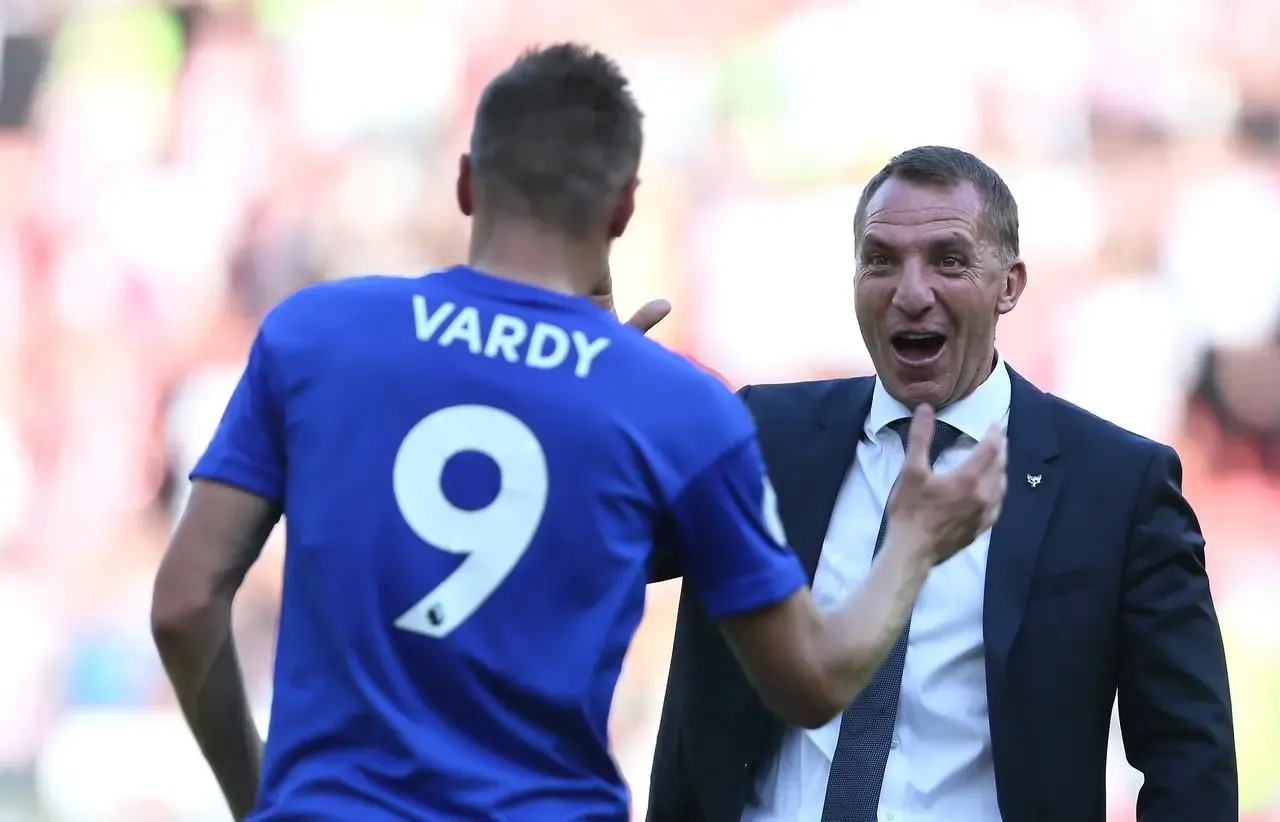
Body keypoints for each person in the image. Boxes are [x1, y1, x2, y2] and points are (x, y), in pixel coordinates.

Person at [149, 49, 1007, 822]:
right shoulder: (674, 406)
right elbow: (811, 681)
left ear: (467, 183)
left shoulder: (314, 333)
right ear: (624, 207)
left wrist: (260, 797)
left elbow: (185, 607)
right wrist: (911, 542)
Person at [647, 145, 1238, 822]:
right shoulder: (760, 437)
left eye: (949, 260)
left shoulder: (1116, 485)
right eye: (881, 260)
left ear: (1009, 286)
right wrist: (577, 412)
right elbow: (599, 551)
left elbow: (1189, 758)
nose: (911, 292)